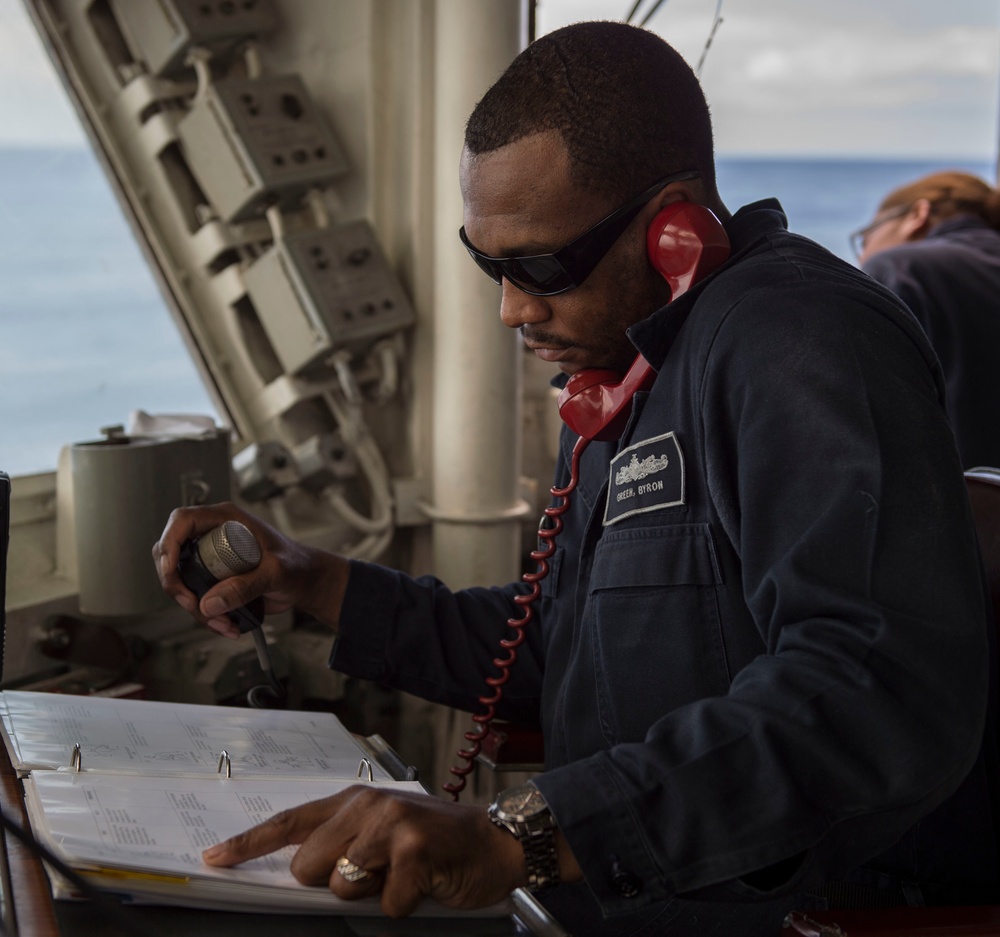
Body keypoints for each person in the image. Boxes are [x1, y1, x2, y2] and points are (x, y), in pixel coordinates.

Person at [153, 21, 1000, 937]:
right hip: (617, 897)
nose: (513, 307)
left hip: (795, 909)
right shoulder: (618, 378)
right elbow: (558, 648)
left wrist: (529, 831)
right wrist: (315, 580)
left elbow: (876, 688)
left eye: (542, 265)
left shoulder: (802, 342)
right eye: (490, 263)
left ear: (674, 225)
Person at [853, 170, 1000, 469]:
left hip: (965, 502)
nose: (862, 256)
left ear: (917, 214)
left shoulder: (900, 267)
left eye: (865, 237)